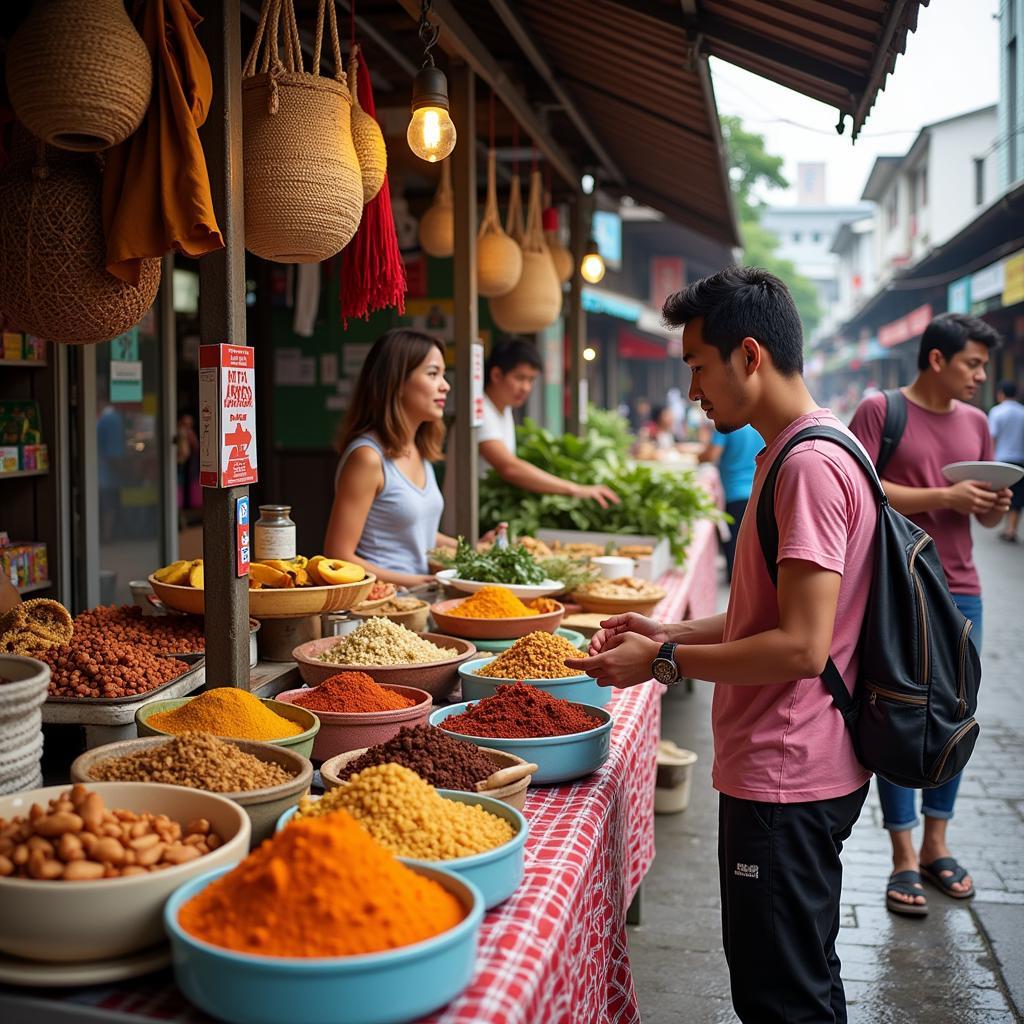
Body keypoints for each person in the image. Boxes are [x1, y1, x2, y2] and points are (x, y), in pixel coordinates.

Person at [566, 266, 877, 1024]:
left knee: (782, 999)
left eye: (698, 366)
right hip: (799, 764)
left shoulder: (805, 466)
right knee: (800, 975)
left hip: (787, 774)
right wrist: (666, 630)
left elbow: (802, 647)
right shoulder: (807, 446)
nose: (694, 390)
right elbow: (771, 618)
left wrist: (665, 663)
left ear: (748, 356)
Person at [848, 313, 1009, 916]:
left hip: (961, 588)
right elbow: (861, 493)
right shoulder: (880, 410)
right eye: (972, 363)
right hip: (897, 588)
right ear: (937, 359)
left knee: (954, 713)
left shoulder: (978, 423)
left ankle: (939, 844)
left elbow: (985, 520)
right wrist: (944, 496)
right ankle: (902, 856)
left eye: (983, 366)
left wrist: (991, 505)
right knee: (900, 712)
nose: (979, 376)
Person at [324, 329, 456, 587]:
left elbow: (417, 533)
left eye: (443, 373)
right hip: (379, 613)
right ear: (397, 383)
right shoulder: (367, 458)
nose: (445, 384)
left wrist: (475, 550)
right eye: (433, 374)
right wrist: (422, 582)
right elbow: (338, 555)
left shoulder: (418, 449)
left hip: (416, 605)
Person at [476, 339, 619, 506]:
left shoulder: (504, 409)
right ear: (496, 375)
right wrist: (575, 489)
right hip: (467, 518)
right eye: (520, 378)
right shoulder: (481, 411)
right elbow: (509, 467)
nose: (526, 388)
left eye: (531, 380)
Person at [698, 423, 763, 580]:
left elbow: (711, 455)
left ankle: (736, 582)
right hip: (756, 490)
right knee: (753, 543)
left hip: (734, 493)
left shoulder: (727, 424)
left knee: (733, 543)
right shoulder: (758, 425)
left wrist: (699, 454)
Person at [988, 379, 1024, 541]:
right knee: (1018, 495)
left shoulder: (997, 411)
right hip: (1020, 459)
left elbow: (992, 437)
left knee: (1004, 493)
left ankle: (1005, 527)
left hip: (1001, 459)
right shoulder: (1023, 412)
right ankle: (1012, 529)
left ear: (1001, 393)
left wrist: (989, 458)